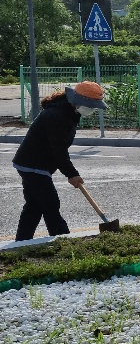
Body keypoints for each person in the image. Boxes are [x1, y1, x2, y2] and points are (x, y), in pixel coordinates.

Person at [12, 81, 106, 241]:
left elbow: (59, 148)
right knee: (50, 204)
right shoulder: (58, 115)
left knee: (34, 206)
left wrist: (71, 173)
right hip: (34, 164)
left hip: (33, 163)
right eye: (91, 105)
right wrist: (72, 174)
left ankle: (21, 243)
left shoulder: (69, 111)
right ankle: (62, 241)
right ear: (78, 101)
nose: (92, 109)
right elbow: (58, 150)